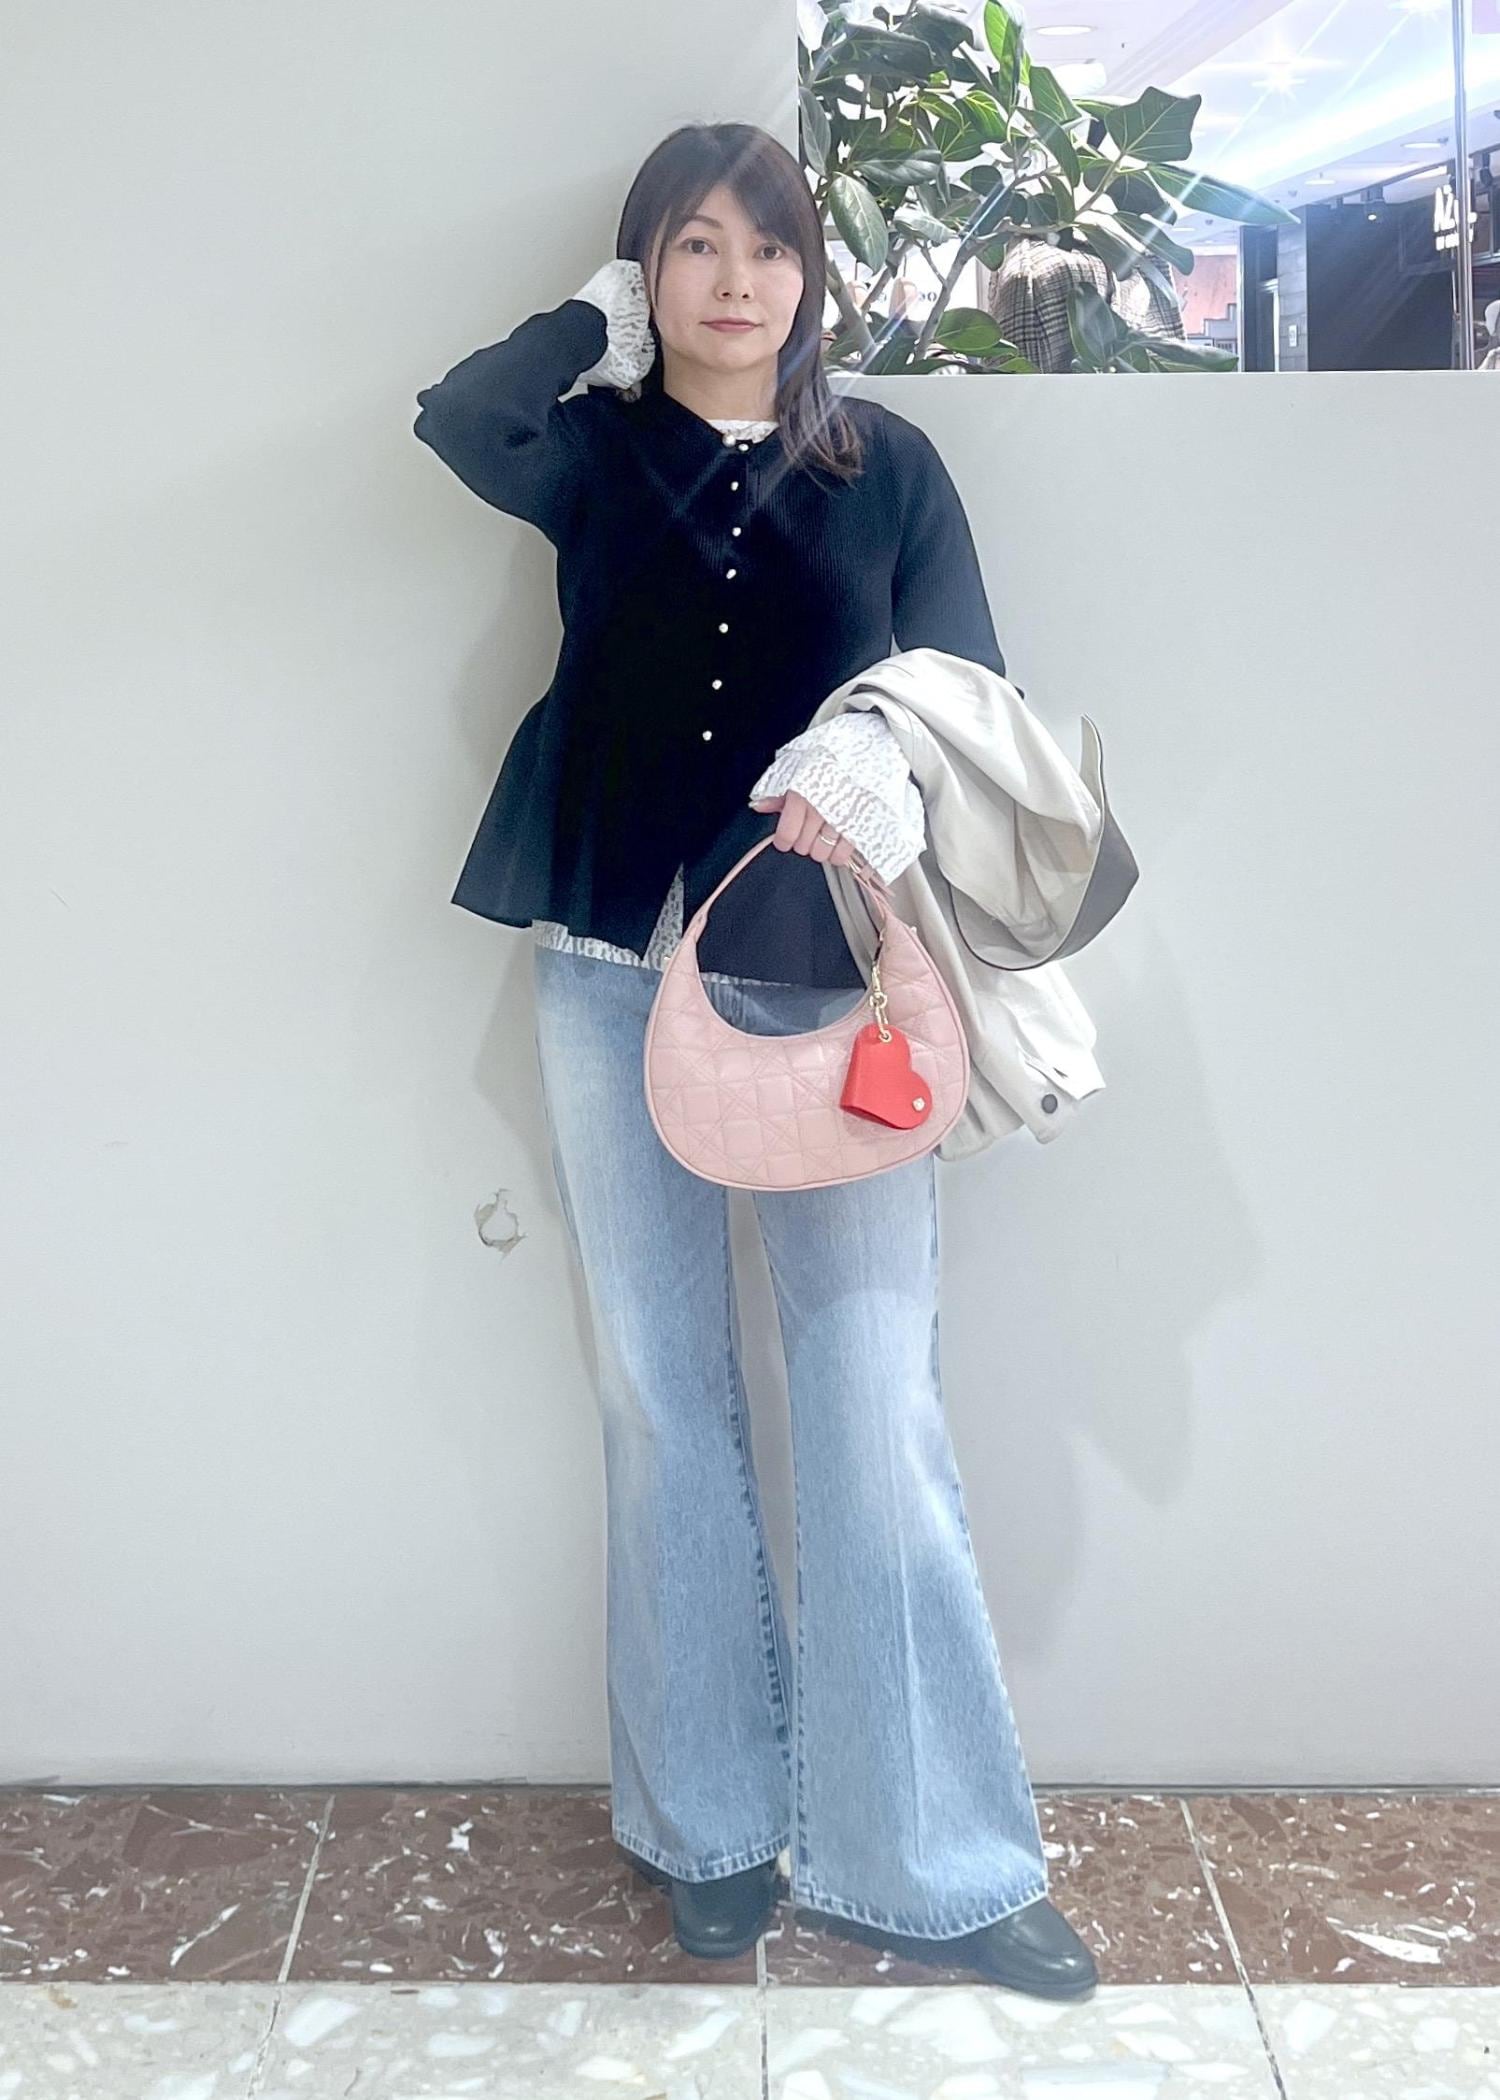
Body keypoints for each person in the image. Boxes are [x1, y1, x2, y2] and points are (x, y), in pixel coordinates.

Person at [413, 120, 1096, 2001]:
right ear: (646, 270)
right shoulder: (594, 446)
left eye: (768, 246)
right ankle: (707, 1827)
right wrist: (592, 323)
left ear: (814, 276)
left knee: (872, 1400)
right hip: (604, 958)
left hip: (836, 993)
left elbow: (973, 690)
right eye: (693, 246)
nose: (737, 279)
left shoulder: (888, 464)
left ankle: (933, 1863)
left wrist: (874, 752)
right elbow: (459, 419)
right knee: (661, 1394)